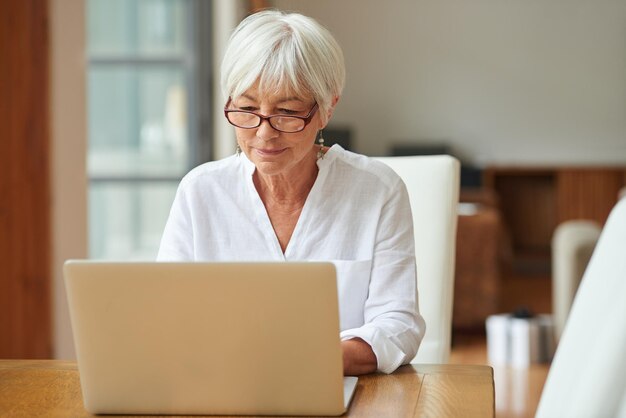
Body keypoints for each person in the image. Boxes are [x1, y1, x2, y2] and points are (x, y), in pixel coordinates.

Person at [157, 9, 425, 376]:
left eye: (286, 112)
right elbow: (166, 316)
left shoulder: (377, 191)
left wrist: (309, 360)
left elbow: (399, 325)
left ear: (327, 108)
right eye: (247, 109)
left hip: (336, 386)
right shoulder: (200, 192)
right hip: (223, 387)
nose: (264, 133)